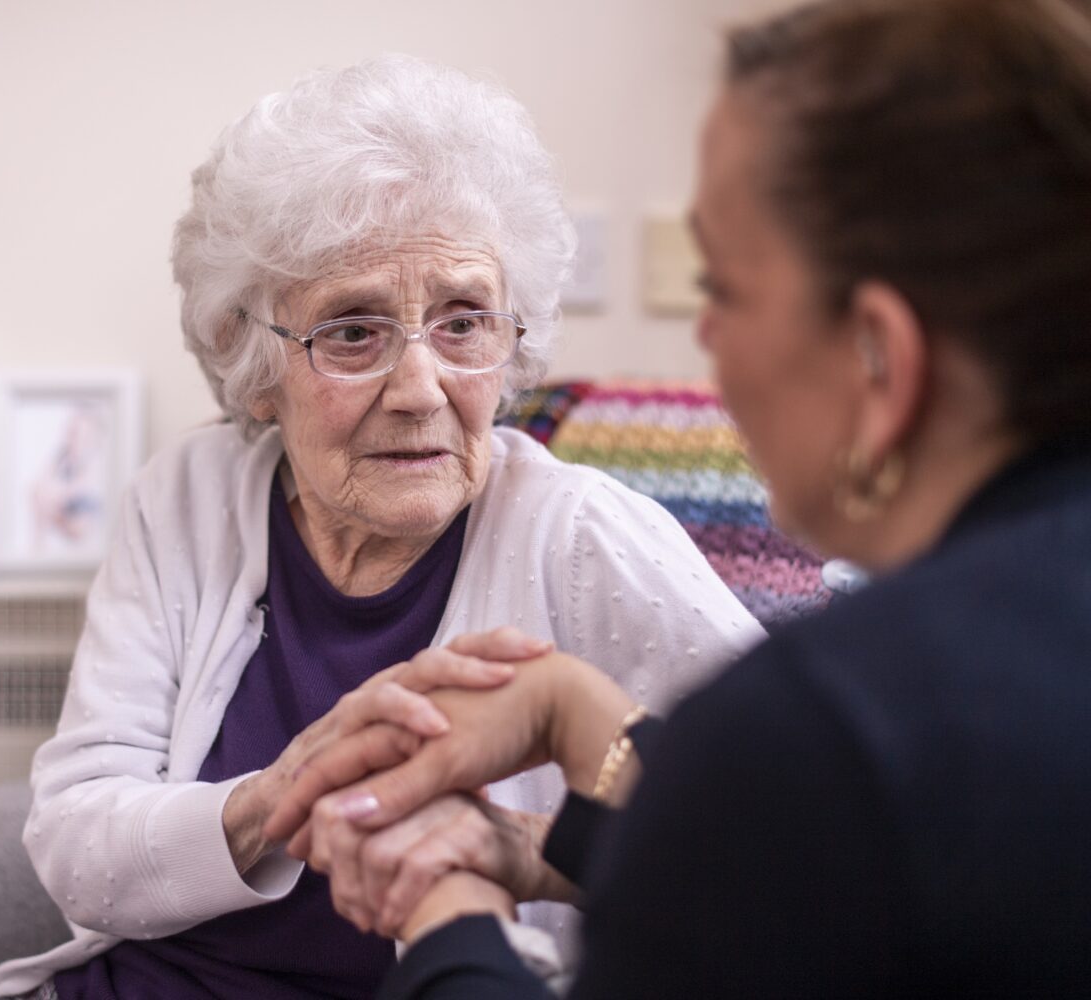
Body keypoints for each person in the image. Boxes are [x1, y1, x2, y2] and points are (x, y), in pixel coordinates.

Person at [266, 1, 1091, 996]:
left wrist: (448, 909)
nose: (704, 343)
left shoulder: (814, 724)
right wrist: (575, 726)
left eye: (723, 289)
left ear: (881, 355)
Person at [0, 55, 764, 1000]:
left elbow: (794, 842)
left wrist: (521, 848)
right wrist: (276, 798)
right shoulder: (185, 498)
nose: (420, 389)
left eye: (464, 322)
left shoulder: (582, 538)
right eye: (352, 331)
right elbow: (75, 846)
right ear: (253, 365)